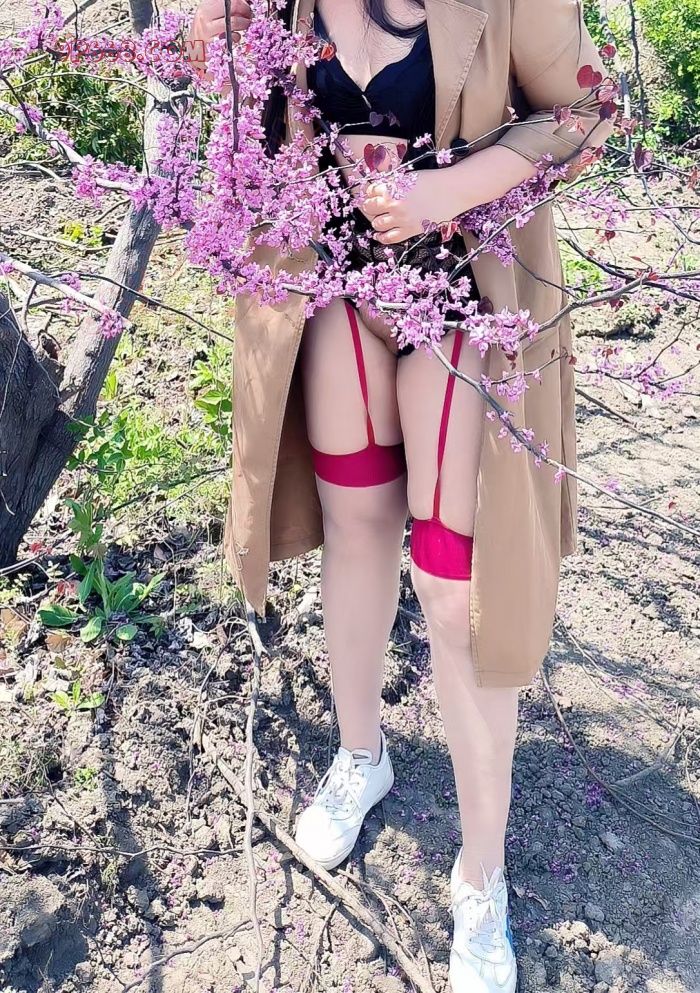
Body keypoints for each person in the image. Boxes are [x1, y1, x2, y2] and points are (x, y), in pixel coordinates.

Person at [188, 1, 615, 989]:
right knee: (356, 527)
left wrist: (449, 189)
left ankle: (481, 877)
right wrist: (219, 55)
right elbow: (251, 123)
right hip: (336, 292)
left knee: (456, 592)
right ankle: (360, 755)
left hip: (466, 298)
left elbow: (590, 112)